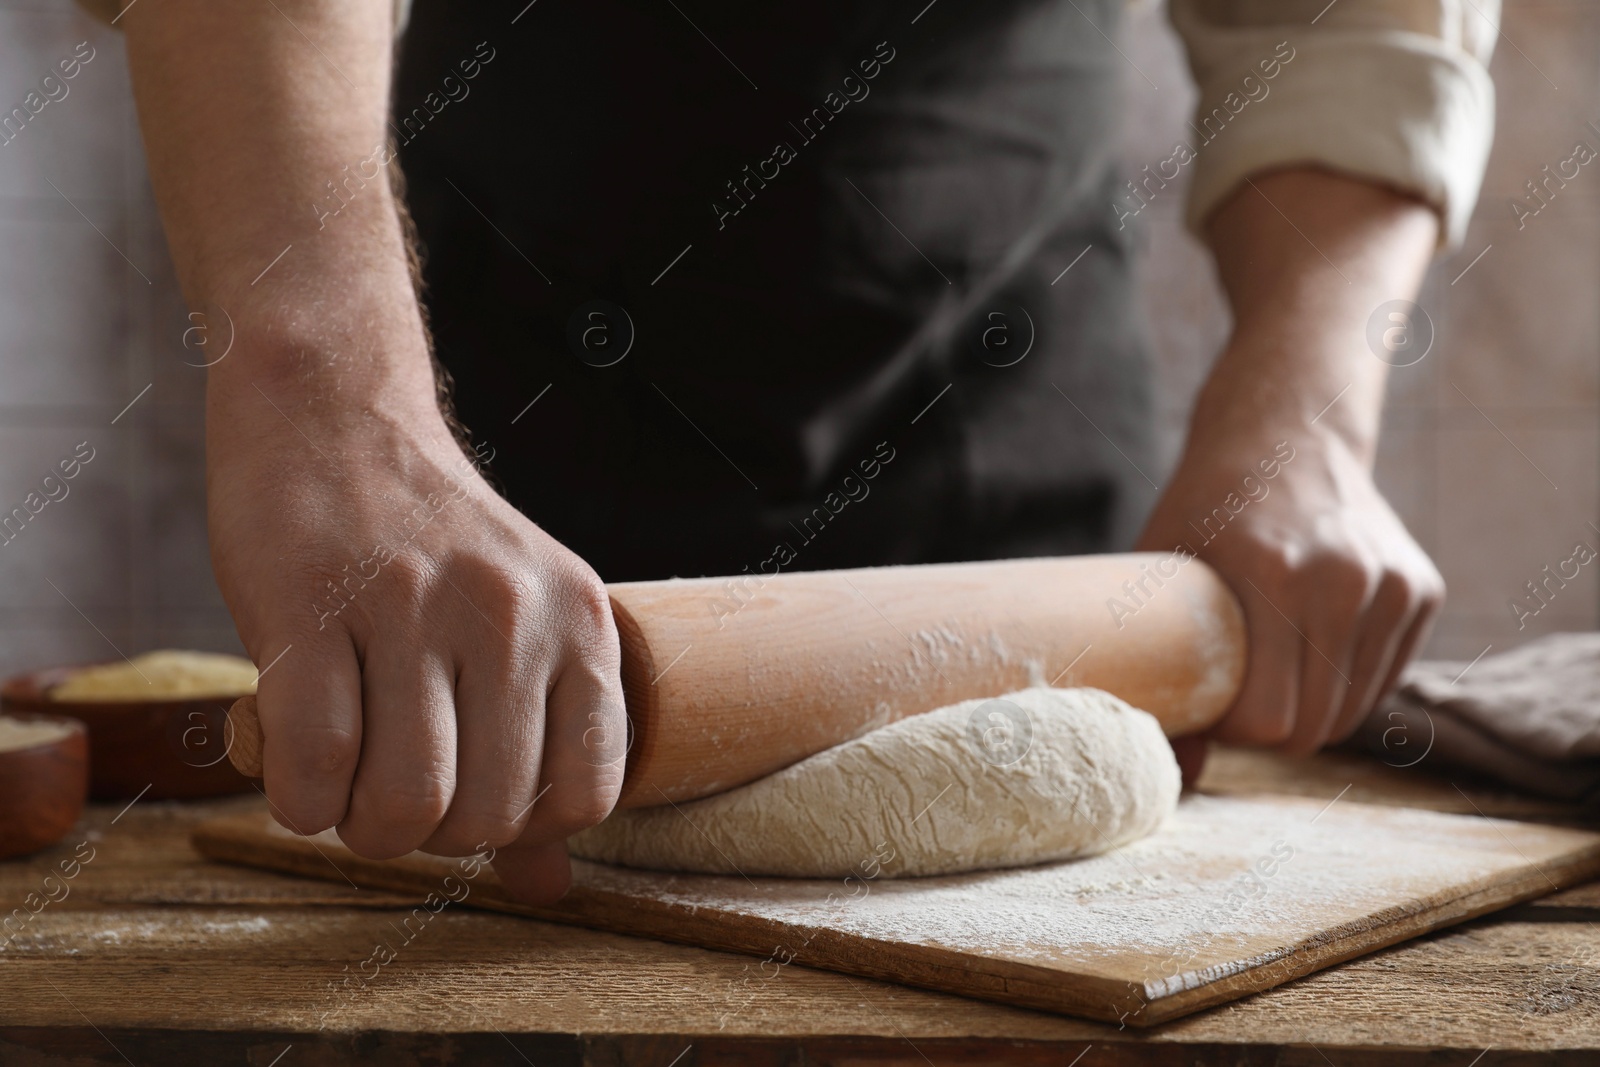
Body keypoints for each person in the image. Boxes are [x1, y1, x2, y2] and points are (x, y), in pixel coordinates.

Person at [87, 0, 1493, 902]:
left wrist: (1302, 420)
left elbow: (1349, 21)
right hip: (498, 452)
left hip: (1021, 466)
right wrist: (327, 392)